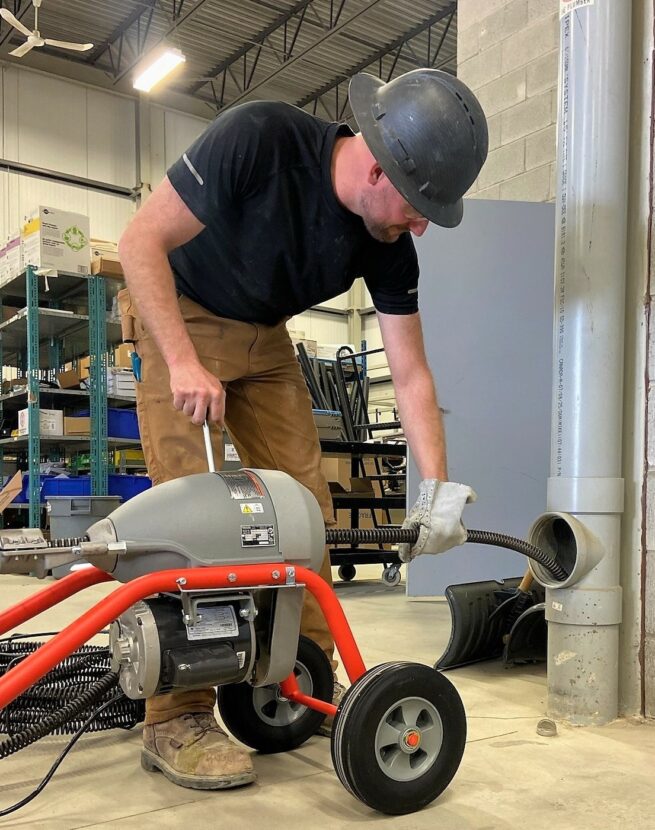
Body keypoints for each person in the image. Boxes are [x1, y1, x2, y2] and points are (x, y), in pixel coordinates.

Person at [117, 67, 488, 791]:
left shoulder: (385, 243)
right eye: (417, 206)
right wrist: (184, 361)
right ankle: (176, 716)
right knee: (188, 524)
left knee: (304, 519)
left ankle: (294, 681)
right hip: (180, 314)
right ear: (377, 165)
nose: (418, 225)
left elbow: (410, 374)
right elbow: (138, 245)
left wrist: (437, 489)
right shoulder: (259, 138)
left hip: (265, 338)